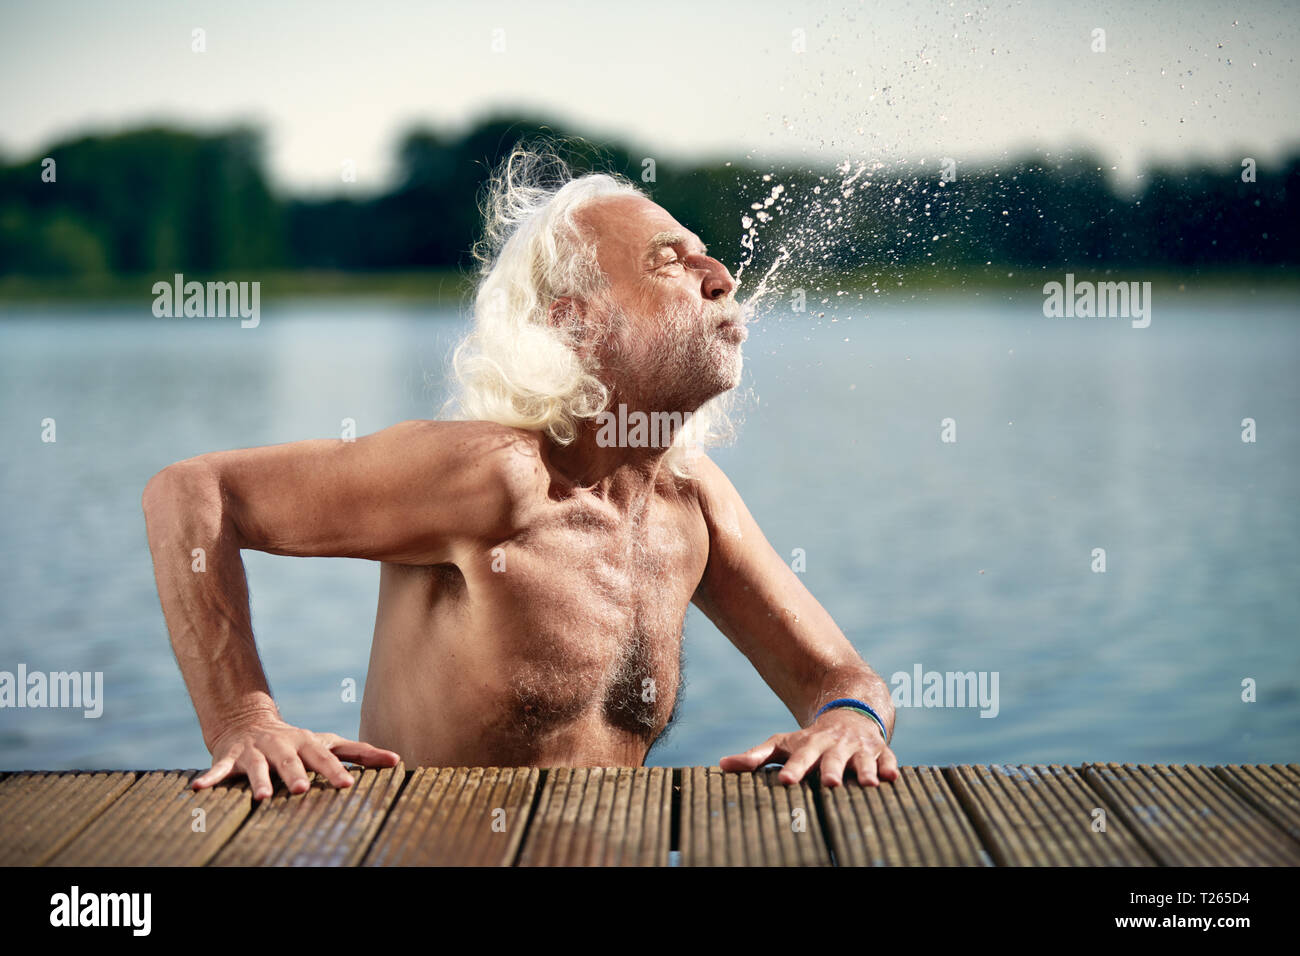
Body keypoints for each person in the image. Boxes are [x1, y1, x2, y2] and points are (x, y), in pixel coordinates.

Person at [142, 144, 899, 800]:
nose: (720, 275)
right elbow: (191, 491)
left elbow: (842, 678)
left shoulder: (689, 503)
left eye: (706, 254)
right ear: (577, 323)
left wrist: (847, 726)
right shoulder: (495, 476)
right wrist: (245, 722)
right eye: (669, 260)